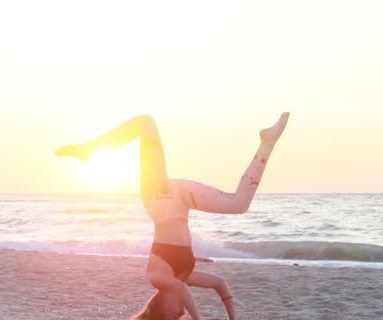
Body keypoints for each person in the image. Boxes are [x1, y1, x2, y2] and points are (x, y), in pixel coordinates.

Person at [56, 112, 290, 320]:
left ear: (161, 310)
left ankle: (88, 149)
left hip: (158, 197)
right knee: (239, 204)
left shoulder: (156, 278)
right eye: (182, 316)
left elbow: (179, 289)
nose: (181, 312)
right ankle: (267, 143)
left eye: (176, 315)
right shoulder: (184, 276)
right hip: (180, 200)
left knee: (145, 123)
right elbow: (220, 284)